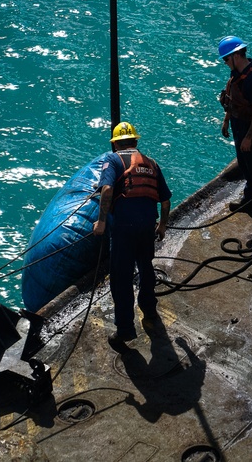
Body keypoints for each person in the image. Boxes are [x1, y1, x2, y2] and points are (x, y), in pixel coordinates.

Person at [93, 122, 172, 345]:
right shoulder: (152, 163)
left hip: (124, 228)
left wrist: (101, 222)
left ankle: (125, 329)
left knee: (121, 278)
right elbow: (165, 201)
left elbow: (107, 189)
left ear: (116, 144)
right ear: (135, 142)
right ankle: (149, 309)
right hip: (147, 226)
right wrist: (162, 226)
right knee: (146, 267)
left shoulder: (112, 160)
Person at [217, 36, 252, 212]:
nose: (225, 63)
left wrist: (249, 137)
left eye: (226, 59)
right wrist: (226, 121)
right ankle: (251, 200)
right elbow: (233, 99)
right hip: (239, 127)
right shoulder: (237, 76)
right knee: (246, 167)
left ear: (236, 56)